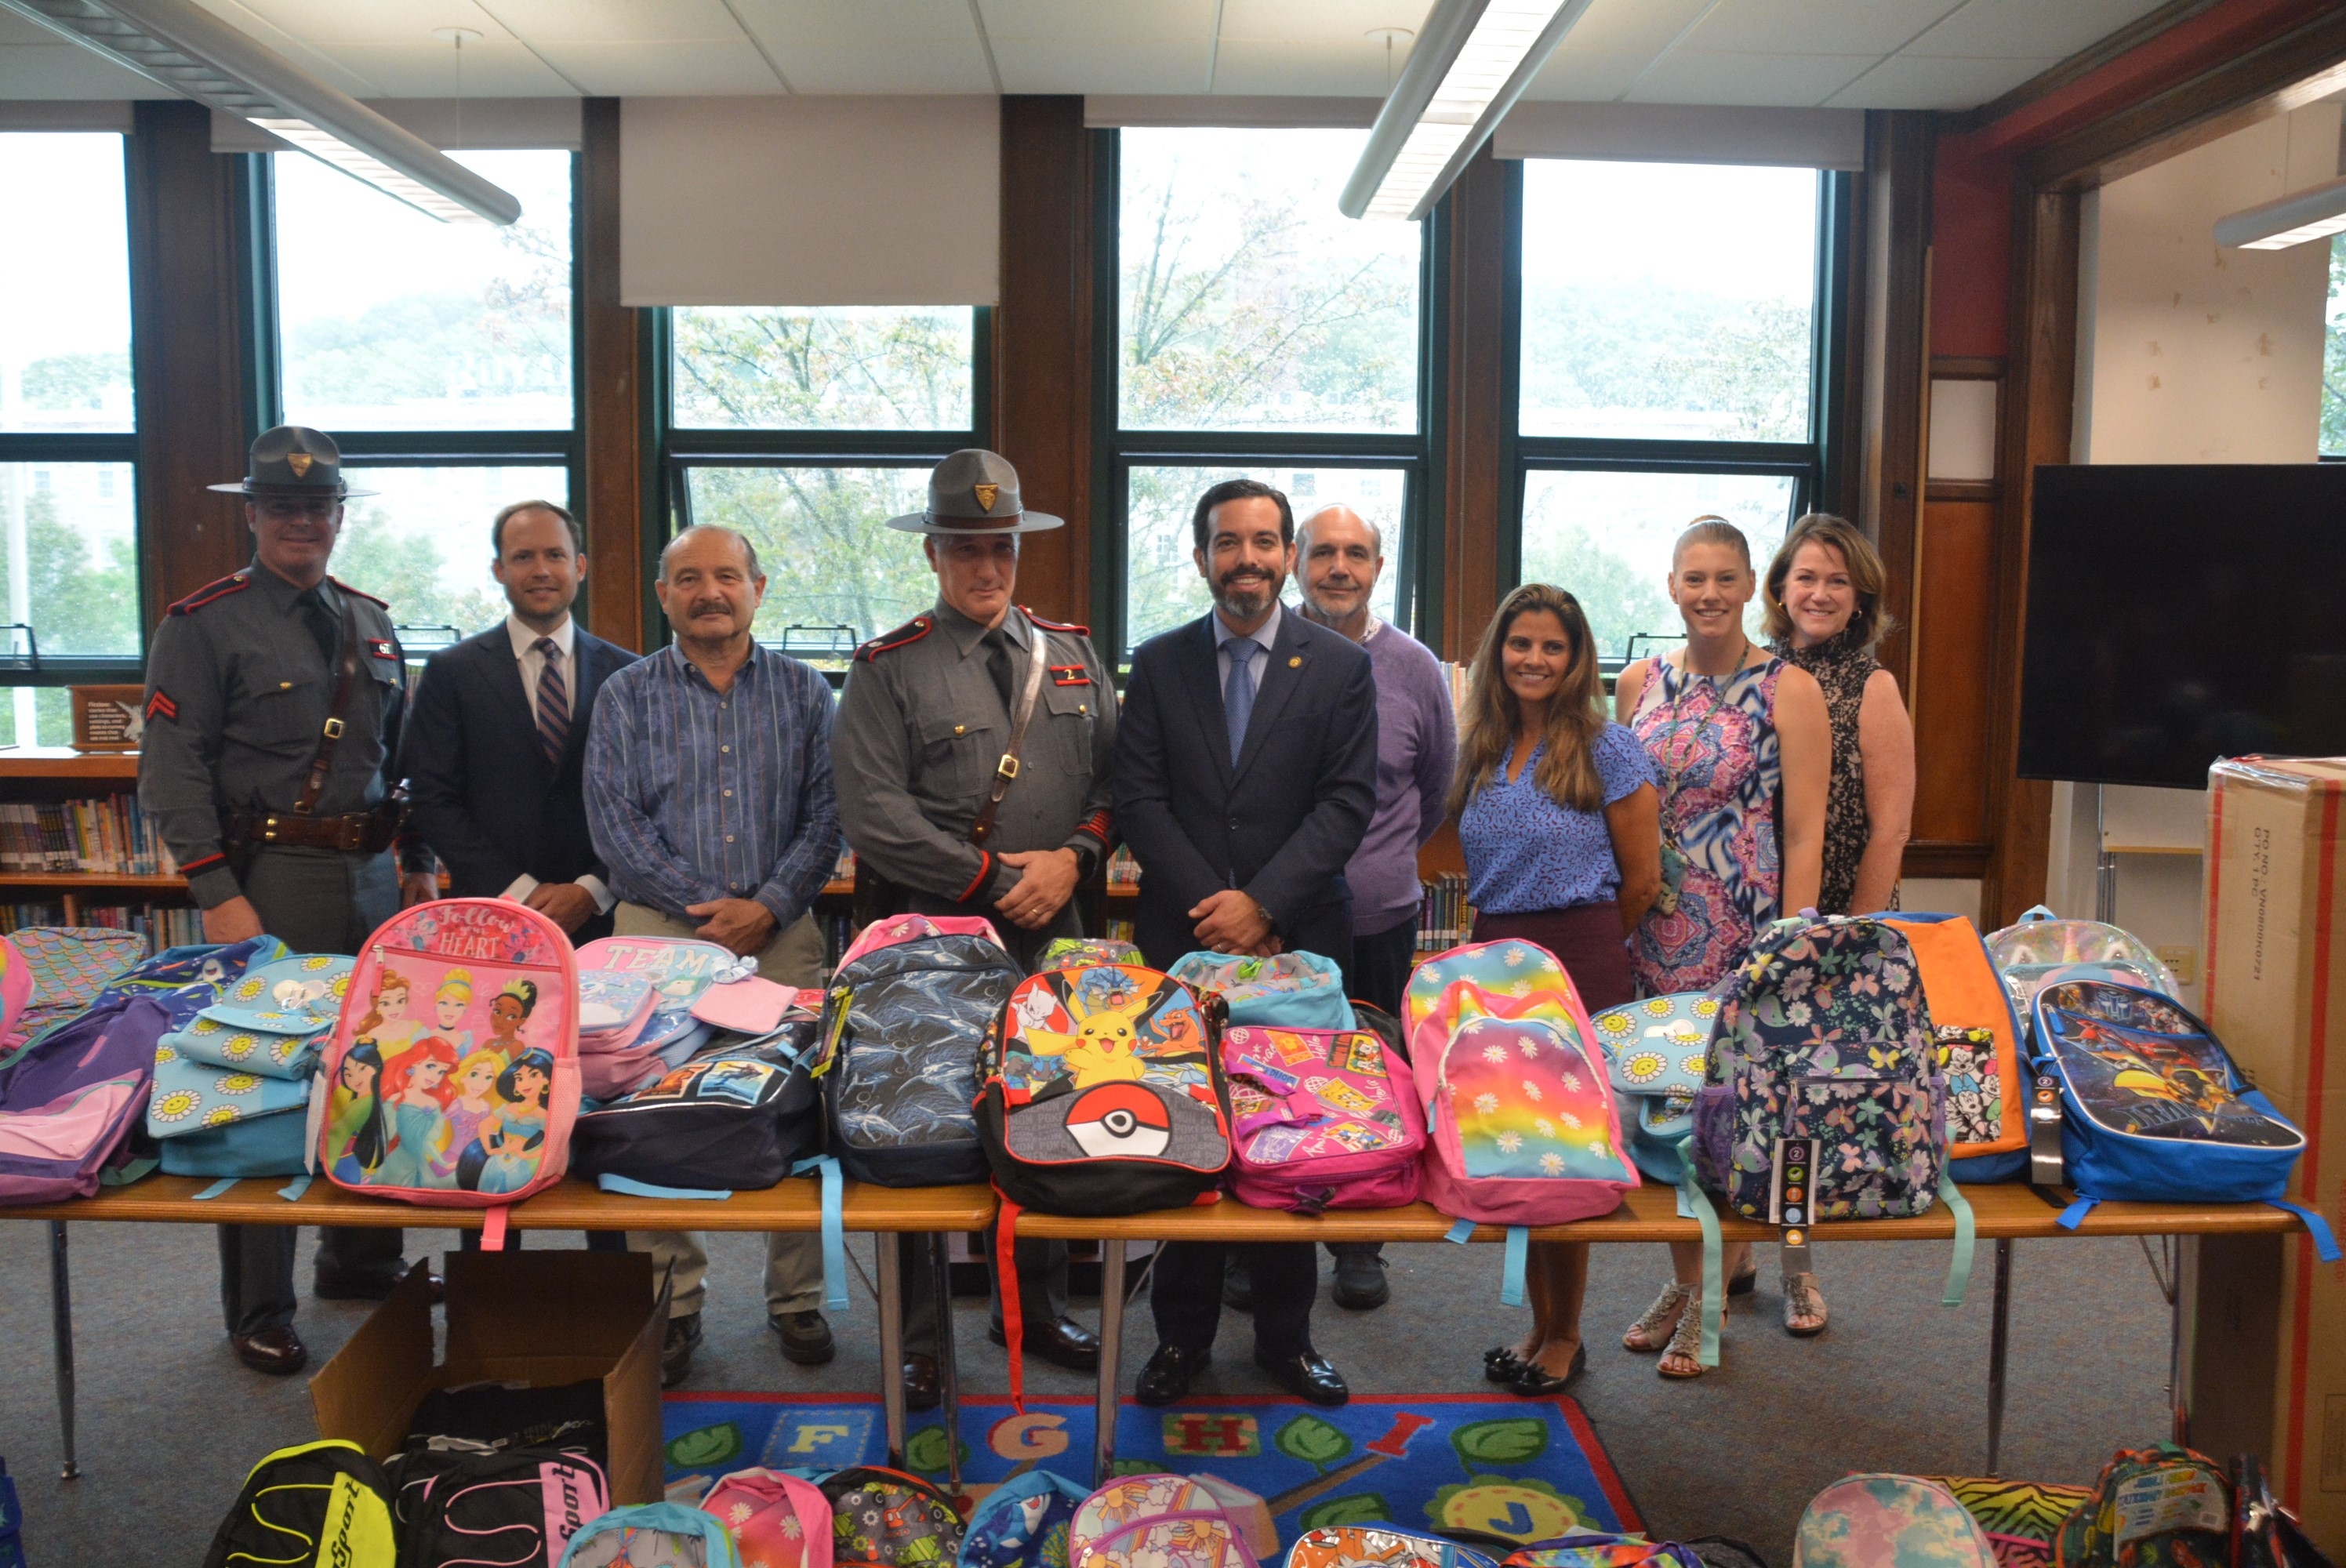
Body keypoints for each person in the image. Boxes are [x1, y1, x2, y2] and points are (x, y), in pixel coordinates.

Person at [137, 425, 437, 1376]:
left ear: (339, 517)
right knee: (266, 1076)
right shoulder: (204, 622)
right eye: (284, 506)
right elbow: (171, 770)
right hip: (271, 878)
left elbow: (401, 761)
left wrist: (419, 860)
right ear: (255, 514)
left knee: (377, 1063)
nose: (303, 521)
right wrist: (214, 892)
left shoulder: (371, 620)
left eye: (319, 507)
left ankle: (358, 1256)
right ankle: (258, 1302)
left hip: (374, 873)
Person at [831, 448, 1115, 1408]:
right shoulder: (888, 667)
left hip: (1056, 931)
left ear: (1016, 548)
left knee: (1042, 1116)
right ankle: (917, 1335)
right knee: (917, 1132)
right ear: (935, 554)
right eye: (964, 548)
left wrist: (1073, 857)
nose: (983, 567)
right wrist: (995, 876)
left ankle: (1029, 1306)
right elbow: (873, 815)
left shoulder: (1073, 654)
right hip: (928, 946)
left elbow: (1120, 786)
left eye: (998, 547)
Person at [1114, 477, 1378, 1409]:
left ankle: (1285, 1338)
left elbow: (1347, 803)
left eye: (1267, 541)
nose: (1249, 559)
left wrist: (1262, 904)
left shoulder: (1340, 668)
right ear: (1201, 558)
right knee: (1182, 1133)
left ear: (1287, 554)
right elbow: (1139, 798)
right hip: (1181, 942)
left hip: (1299, 940)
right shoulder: (1156, 662)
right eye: (1230, 542)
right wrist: (1214, 909)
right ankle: (1180, 1338)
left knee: (1293, 1137)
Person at [584, 524, 842, 1388]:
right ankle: (673, 1303)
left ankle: (795, 1297)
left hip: (783, 932)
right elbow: (614, 823)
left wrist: (764, 907)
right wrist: (707, 915)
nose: (710, 592)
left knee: (795, 1104)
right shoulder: (624, 695)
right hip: (658, 935)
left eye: (726, 575)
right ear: (664, 595)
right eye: (688, 578)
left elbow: (828, 816)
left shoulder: (809, 693)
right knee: (650, 1116)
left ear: (758, 587)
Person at [1614, 516, 1831, 1378]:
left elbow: (1806, 828)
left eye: (1723, 578)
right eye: (1691, 578)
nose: (1707, 593)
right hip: (1654, 928)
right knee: (1661, 1115)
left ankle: (1712, 1303)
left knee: (1734, 1118)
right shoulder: (1637, 682)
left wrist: (1795, 942)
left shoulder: (1789, 688)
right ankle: (1684, 1279)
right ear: (1671, 585)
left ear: (1751, 587)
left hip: (1747, 930)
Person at [1452, 584, 1661, 1394]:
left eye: (1552, 646)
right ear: (1498, 651)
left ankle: (1566, 1334)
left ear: (1577, 660)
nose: (1533, 659)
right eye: (1520, 643)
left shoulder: (1608, 748)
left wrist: (1588, 952)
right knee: (1520, 1148)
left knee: (1566, 1157)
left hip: (1577, 957)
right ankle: (1538, 1325)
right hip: (1495, 959)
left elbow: (1641, 881)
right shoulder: (1486, 740)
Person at [1291, 502, 1456, 1313]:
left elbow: (1434, 791)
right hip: (1275, 920)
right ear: (1296, 563)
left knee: (1372, 1079)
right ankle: (1266, 1241)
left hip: (1378, 914)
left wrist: (1378, 856)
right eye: (1323, 552)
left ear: (1379, 568)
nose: (1339, 567)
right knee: (1271, 1077)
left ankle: (1359, 1240)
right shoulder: (1270, 656)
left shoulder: (1414, 667)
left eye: (1356, 553)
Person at [404, 499, 637, 943]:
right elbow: (434, 799)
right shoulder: (452, 673)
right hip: (492, 915)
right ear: (498, 570)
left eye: (555, 555)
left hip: (609, 918)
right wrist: (520, 893)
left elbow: (651, 799)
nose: (541, 570)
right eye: (523, 557)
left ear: (580, 566)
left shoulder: (628, 675)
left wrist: (591, 889)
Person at [1761, 513, 1914, 919]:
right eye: (1806, 578)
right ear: (1781, 588)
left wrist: (1854, 930)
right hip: (1752, 900)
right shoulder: (1754, 676)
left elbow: (1892, 831)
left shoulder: (1874, 686)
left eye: (1838, 581)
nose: (1820, 594)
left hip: (1842, 909)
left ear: (1859, 599)